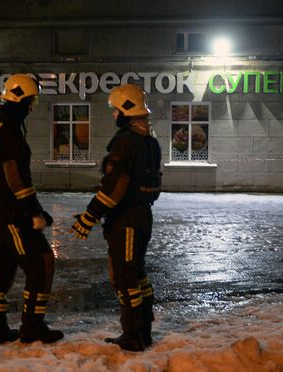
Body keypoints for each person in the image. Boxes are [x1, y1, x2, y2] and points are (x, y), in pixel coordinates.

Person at [70, 84, 162, 352]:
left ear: (126, 112)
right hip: (143, 215)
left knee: (125, 278)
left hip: (127, 219)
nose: (114, 116)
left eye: (116, 111)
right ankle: (143, 331)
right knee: (138, 274)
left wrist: (89, 217)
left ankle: (133, 336)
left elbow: (115, 188)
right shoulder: (150, 141)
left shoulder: (125, 142)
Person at [0, 74, 63, 346]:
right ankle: (33, 327)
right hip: (11, 207)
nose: (31, 107)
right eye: (30, 101)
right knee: (41, 262)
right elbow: (12, 174)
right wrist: (33, 210)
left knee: (1, 264)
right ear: (20, 99)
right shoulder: (8, 128)